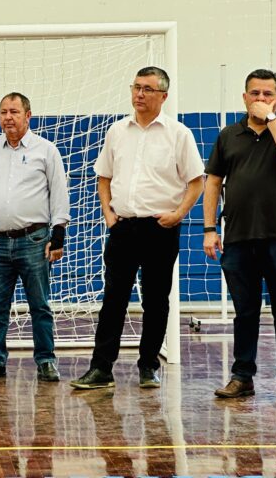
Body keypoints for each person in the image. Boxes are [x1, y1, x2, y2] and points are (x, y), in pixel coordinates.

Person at [71, 66, 204, 390]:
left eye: (147, 89)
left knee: (156, 300)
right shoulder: (117, 131)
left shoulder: (178, 134)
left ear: (163, 96)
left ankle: (148, 367)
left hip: (161, 228)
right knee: (114, 299)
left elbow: (197, 181)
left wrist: (179, 214)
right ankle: (101, 368)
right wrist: (107, 212)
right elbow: (103, 176)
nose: (139, 94)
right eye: (136, 87)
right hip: (123, 228)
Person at [0, 92, 70, 382]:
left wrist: (59, 234)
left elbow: (59, 193)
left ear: (28, 115)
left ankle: (46, 361)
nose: (8, 117)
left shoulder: (46, 150)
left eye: (14, 111)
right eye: (3, 112)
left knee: (40, 305)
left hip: (35, 240)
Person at [207, 69, 276, 400]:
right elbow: (213, 181)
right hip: (239, 238)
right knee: (245, 312)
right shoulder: (229, 135)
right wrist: (210, 228)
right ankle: (242, 377)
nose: (259, 99)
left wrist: (270, 118)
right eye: (254, 93)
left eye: (267, 94)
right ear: (244, 97)